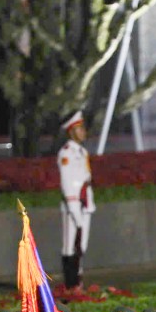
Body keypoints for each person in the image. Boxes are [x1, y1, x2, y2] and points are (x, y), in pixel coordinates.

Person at [58, 111, 95, 289]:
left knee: (82, 245)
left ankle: (78, 280)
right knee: (70, 245)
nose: (83, 132)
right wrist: (73, 206)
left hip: (85, 202)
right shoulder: (67, 153)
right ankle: (70, 284)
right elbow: (67, 181)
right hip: (74, 204)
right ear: (72, 131)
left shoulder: (82, 151)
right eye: (80, 128)